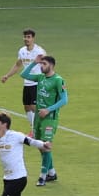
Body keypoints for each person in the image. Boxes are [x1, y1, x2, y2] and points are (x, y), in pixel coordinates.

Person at [21, 53, 67, 186]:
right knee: (41, 146)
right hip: (38, 117)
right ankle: (51, 173)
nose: (41, 66)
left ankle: (42, 177)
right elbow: (23, 75)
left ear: (51, 65)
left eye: (44, 64)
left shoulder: (58, 80)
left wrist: (48, 109)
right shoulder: (40, 77)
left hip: (49, 118)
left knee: (46, 145)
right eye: (41, 64)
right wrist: (34, 62)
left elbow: (64, 100)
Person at [0, 28, 44, 116]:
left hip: (36, 83)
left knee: (34, 106)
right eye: (25, 37)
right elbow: (18, 65)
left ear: (33, 38)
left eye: (29, 37)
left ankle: (38, 127)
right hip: (27, 82)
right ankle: (32, 127)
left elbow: (46, 64)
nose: (26, 39)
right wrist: (7, 75)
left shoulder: (39, 51)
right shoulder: (22, 51)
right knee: (27, 106)